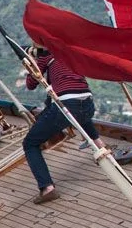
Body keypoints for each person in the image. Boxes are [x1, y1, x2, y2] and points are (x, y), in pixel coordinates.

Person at [23, 45, 103, 204]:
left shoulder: (45, 58)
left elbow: (30, 84)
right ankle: (101, 146)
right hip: (88, 102)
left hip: (65, 106)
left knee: (30, 144)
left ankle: (47, 188)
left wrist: (32, 62)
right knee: (79, 114)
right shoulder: (68, 52)